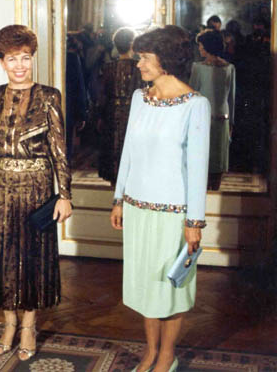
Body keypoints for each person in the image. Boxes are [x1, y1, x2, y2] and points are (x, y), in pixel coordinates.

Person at [110, 26, 210, 372]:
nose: (139, 64)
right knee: (146, 286)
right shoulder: (141, 97)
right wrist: (119, 197)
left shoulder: (195, 106)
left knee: (171, 286)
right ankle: (150, 351)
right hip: (138, 209)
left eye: (145, 58)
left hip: (173, 216)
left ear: (165, 60)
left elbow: (198, 170)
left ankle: (167, 354)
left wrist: (194, 223)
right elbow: (129, 152)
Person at [0, 25, 72, 361]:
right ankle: (8, 323)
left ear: (32, 58)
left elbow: (59, 150)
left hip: (36, 189)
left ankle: (28, 325)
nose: (19, 65)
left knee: (32, 259)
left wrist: (65, 194)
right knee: (0, 257)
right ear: (2, 61)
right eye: (12, 58)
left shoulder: (50, 96)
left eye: (25, 58)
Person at [97, 27, 144, 185]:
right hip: (135, 115)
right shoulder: (140, 67)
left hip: (112, 115)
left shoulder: (108, 68)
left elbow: (101, 97)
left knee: (114, 157)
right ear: (132, 45)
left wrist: (99, 117)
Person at [190, 30, 235, 190]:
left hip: (215, 119)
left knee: (214, 162)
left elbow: (231, 97)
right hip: (213, 119)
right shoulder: (227, 67)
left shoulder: (227, 68)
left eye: (201, 46)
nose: (200, 49)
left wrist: (231, 122)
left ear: (207, 46)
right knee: (211, 162)